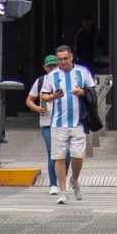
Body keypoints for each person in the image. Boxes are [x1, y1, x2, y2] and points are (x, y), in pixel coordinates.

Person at [40, 43, 95, 202]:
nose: (63, 62)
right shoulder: (52, 76)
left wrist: (81, 92)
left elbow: (92, 91)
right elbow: (44, 95)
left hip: (78, 122)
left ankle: (74, 180)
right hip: (58, 123)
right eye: (60, 60)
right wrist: (53, 97)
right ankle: (63, 190)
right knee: (59, 157)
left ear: (71, 57)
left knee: (78, 155)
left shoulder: (82, 72)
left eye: (65, 58)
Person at [24, 53, 62, 198]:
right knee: (52, 152)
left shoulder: (63, 80)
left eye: (55, 65)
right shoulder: (40, 82)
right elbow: (29, 100)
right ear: (45, 67)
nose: (52, 68)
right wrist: (37, 108)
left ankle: (61, 178)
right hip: (46, 123)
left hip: (63, 122)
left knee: (67, 154)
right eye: (49, 66)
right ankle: (53, 183)